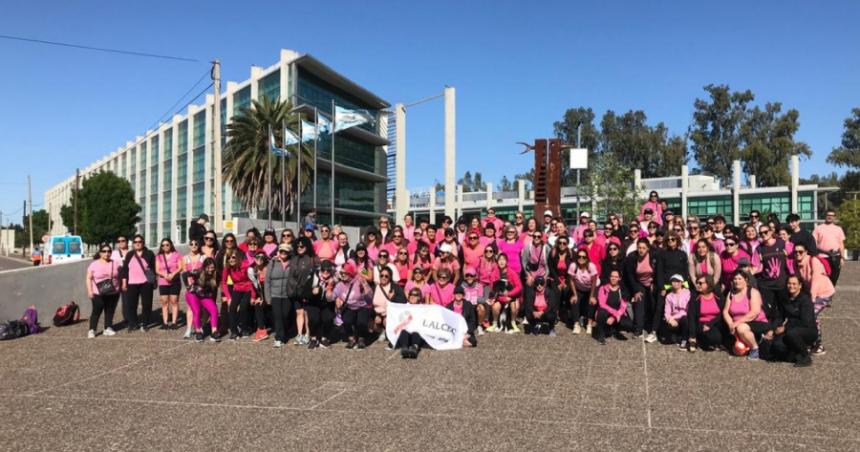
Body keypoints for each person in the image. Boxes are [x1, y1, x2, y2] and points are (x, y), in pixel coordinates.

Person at [792, 243, 835, 356]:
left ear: (806, 252)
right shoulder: (796, 264)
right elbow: (799, 282)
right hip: (812, 294)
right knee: (806, 316)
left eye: (800, 252)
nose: (798, 254)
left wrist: (811, 299)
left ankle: (818, 345)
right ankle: (810, 342)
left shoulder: (813, 261)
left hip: (824, 292)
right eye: (795, 252)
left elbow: (815, 280)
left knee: (811, 315)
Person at [765, 275, 816, 367]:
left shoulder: (805, 300)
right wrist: (772, 329)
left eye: (794, 284)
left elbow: (805, 321)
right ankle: (794, 355)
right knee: (777, 345)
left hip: (807, 330)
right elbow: (780, 316)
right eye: (789, 283)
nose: (791, 286)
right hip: (790, 329)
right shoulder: (785, 298)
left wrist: (785, 327)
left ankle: (805, 356)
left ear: (800, 285)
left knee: (791, 334)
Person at [723, 271, 768, 361]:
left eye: (740, 279)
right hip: (738, 325)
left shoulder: (753, 292)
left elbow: (755, 312)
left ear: (746, 280)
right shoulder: (731, 293)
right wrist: (730, 324)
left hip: (756, 322)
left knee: (741, 328)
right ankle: (750, 342)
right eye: (735, 279)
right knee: (738, 352)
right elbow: (725, 311)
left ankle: (755, 348)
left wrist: (737, 323)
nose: (737, 281)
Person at [653, 232, 689, 343]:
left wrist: (684, 286)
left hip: (679, 286)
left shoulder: (682, 254)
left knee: (681, 308)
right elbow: (658, 272)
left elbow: (685, 271)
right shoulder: (662, 254)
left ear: (677, 241)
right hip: (666, 285)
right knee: (660, 308)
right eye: (668, 240)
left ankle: (682, 333)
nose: (670, 241)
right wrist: (662, 287)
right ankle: (654, 331)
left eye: (673, 239)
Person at [753, 224, 788, 328]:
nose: (763, 235)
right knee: (769, 309)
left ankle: (781, 329)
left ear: (771, 232)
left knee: (783, 307)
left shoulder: (782, 243)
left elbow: (792, 258)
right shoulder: (759, 249)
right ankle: (771, 330)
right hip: (766, 284)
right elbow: (756, 266)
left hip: (781, 282)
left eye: (765, 232)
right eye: (761, 233)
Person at [334, 262, 373, 349]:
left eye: (345, 273)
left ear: (350, 273)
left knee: (361, 322)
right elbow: (331, 296)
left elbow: (370, 296)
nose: (342, 275)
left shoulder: (358, 281)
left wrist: (365, 286)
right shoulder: (340, 284)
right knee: (346, 321)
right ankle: (351, 339)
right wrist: (336, 298)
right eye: (341, 273)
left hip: (362, 306)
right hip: (349, 306)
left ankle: (361, 338)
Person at [86, 243, 121, 338]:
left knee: (110, 310)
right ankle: (92, 330)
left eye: (109, 251)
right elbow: (89, 278)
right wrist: (90, 291)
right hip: (98, 292)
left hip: (113, 291)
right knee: (96, 311)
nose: (107, 253)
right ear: (100, 253)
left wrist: (120, 287)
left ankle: (108, 328)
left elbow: (120, 276)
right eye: (104, 251)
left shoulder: (116, 263)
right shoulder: (94, 265)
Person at [122, 235, 155, 332]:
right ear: (133, 244)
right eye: (135, 242)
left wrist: (154, 280)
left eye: (139, 241)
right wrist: (124, 282)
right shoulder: (129, 254)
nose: (137, 243)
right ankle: (133, 323)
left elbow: (153, 268)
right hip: (132, 283)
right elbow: (125, 269)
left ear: (143, 243)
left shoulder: (149, 253)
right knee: (131, 305)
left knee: (147, 304)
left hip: (146, 283)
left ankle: (145, 324)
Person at [624, 239, 657, 338]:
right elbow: (630, 275)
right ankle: (638, 329)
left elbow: (658, 271)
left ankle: (652, 327)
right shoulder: (632, 257)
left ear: (648, 249)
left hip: (652, 281)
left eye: (643, 248)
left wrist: (654, 283)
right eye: (639, 248)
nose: (641, 250)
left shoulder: (654, 255)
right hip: (639, 283)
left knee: (653, 302)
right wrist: (636, 290)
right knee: (639, 302)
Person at [287, 237, 316, 346]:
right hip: (295, 290)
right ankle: (299, 333)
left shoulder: (312, 258)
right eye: (298, 246)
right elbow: (291, 276)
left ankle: (307, 334)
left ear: (307, 246)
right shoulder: (294, 259)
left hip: (307, 290)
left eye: (302, 246)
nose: (299, 248)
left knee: (306, 313)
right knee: (299, 312)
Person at [221, 250, 255, 340]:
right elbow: (224, 283)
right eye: (229, 258)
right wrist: (228, 297)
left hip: (248, 289)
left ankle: (244, 329)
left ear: (237, 257)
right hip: (237, 289)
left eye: (233, 257)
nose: (231, 260)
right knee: (232, 308)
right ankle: (234, 331)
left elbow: (252, 281)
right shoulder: (227, 268)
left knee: (243, 308)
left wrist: (253, 296)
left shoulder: (245, 265)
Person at [185, 258, 221, 342]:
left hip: (205, 295)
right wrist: (188, 284)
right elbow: (185, 274)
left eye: (212, 267)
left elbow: (214, 289)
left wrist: (213, 300)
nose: (210, 270)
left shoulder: (216, 275)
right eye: (208, 268)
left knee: (214, 310)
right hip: (193, 294)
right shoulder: (198, 272)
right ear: (204, 267)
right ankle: (198, 332)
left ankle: (214, 332)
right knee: (196, 311)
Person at [485, 253, 522, 333]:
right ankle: (494, 323)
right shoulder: (494, 274)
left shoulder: (512, 272)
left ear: (507, 262)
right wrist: (504, 298)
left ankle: (513, 323)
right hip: (499, 297)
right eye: (499, 260)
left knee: (515, 306)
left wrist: (509, 295)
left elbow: (519, 287)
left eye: (503, 260)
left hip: (512, 296)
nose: (501, 262)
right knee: (495, 307)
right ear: (497, 262)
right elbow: (493, 289)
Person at [372, 266, 407, 347]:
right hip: (377, 314)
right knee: (367, 322)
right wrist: (375, 315)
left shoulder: (395, 287)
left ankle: (390, 335)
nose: (383, 278)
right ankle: (382, 332)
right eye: (382, 275)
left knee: (387, 321)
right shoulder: (375, 288)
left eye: (386, 276)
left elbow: (403, 301)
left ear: (390, 277)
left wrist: (392, 299)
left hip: (389, 315)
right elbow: (370, 303)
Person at [688, 275, 724, 352]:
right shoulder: (695, 296)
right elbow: (692, 316)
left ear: (708, 283)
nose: (698, 285)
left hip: (716, 322)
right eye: (697, 282)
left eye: (700, 283)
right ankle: (700, 340)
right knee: (712, 337)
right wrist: (692, 336)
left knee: (717, 336)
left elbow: (723, 313)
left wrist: (710, 324)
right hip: (701, 323)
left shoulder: (717, 295)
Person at [306, 260, 337, 349]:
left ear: (331, 270)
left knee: (328, 318)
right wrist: (312, 292)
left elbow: (339, 291)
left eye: (328, 270)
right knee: (313, 318)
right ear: (320, 269)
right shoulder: (314, 277)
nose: (326, 272)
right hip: (313, 303)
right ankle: (313, 338)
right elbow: (303, 293)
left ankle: (324, 338)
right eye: (323, 269)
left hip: (327, 304)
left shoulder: (334, 280)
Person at [265, 244, 291, 348]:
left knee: (285, 315)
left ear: (289, 253)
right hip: (274, 294)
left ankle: (284, 332)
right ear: (278, 252)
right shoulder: (273, 262)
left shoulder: (292, 263)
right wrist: (268, 297)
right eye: (281, 251)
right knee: (278, 316)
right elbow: (267, 280)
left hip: (287, 294)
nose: (283, 253)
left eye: (285, 251)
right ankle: (279, 338)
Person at [594, 270, 630, 344]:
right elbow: (602, 304)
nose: (614, 278)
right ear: (609, 277)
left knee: (628, 324)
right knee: (601, 312)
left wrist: (614, 317)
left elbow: (623, 306)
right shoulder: (603, 288)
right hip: (606, 313)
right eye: (612, 276)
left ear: (619, 278)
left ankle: (614, 329)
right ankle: (601, 334)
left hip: (616, 314)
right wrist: (615, 313)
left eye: (616, 277)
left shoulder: (622, 290)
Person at [180, 239, 207, 339]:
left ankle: (200, 327)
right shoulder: (185, 258)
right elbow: (183, 272)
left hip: (201, 286)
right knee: (190, 308)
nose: (194, 245)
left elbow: (206, 271)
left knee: (203, 307)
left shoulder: (203, 257)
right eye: (192, 244)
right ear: (189, 246)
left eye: (196, 244)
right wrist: (188, 284)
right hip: (191, 287)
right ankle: (188, 329)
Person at [568, 249, 598, 335]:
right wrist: (574, 294)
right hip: (579, 287)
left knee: (592, 302)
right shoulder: (573, 266)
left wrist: (591, 296)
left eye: (584, 257)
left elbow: (594, 282)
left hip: (591, 287)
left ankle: (589, 323)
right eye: (579, 256)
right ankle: (576, 323)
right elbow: (572, 281)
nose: (581, 258)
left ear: (587, 258)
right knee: (573, 301)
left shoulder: (591, 266)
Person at [155, 238, 182, 330]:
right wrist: (164, 274)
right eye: (163, 245)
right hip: (163, 281)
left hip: (175, 281)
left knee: (174, 301)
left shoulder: (177, 255)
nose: (165, 246)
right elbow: (157, 270)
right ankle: (165, 323)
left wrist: (173, 274)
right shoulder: (159, 256)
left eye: (167, 244)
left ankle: (174, 322)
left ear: (170, 245)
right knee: (164, 302)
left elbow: (180, 267)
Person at [813, 209, 845, 285]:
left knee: (834, 278)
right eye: (828, 215)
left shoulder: (838, 229)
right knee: (823, 278)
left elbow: (841, 244)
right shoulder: (818, 228)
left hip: (835, 257)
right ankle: (824, 295)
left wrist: (842, 258)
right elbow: (814, 243)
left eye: (832, 215)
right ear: (825, 216)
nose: (830, 217)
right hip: (822, 257)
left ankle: (830, 295)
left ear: (834, 217)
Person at [549, 235, 574, 327]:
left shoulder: (571, 254)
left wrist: (565, 282)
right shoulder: (553, 253)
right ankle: (555, 314)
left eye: (564, 243)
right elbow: (551, 268)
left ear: (567, 244)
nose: (562, 245)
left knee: (568, 291)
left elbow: (572, 270)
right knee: (556, 291)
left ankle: (567, 314)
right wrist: (559, 282)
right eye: (560, 243)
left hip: (568, 278)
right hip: (556, 278)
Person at [662, 274, 692, 348]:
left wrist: (673, 317)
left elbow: (686, 310)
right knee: (667, 340)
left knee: (684, 319)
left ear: (682, 283)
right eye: (673, 281)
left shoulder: (687, 293)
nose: (675, 283)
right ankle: (676, 336)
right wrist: (669, 319)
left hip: (683, 317)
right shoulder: (669, 296)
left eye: (678, 281)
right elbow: (667, 311)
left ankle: (684, 339)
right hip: (673, 320)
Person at [397, 288, 427, 359]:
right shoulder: (403, 307)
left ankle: (414, 347)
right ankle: (404, 347)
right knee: (404, 330)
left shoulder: (423, 308)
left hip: (417, 332)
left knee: (416, 330)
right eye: (411, 294)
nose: (412, 296)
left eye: (415, 295)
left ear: (419, 297)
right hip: (406, 330)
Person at [248, 251, 269, 342]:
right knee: (257, 305)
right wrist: (258, 297)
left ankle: (262, 329)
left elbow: (269, 286)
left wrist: (264, 298)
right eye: (257, 257)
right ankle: (261, 329)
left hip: (270, 293)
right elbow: (255, 286)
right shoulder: (253, 270)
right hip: (262, 293)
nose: (259, 259)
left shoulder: (268, 268)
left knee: (260, 305)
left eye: (261, 257)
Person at [460, 267, 487, 334]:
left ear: (475, 277)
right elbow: (461, 298)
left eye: (471, 275)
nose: (469, 277)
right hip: (465, 307)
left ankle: (479, 326)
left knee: (481, 308)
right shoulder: (462, 286)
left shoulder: (479, 286)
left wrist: (471, 299)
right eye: (467, 275)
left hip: (475, 306)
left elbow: (481, 299)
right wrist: (474, 299)